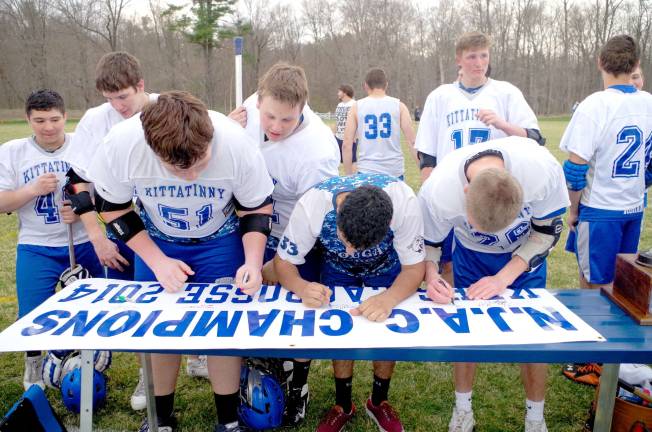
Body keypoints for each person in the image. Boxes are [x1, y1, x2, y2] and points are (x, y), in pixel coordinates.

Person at [87, 91, 274, 432]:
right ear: (152, 148)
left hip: (219, 237)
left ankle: (229, 420)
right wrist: (156, 261)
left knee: (224, 328)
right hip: (158, 236)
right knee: (160, 328)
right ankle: (161, 417)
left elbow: (256, 207)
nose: (190, 177)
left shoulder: (235, 143)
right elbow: (111, 207)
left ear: (210, 138)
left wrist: (252, 261)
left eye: (200, 163)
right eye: (178, 169)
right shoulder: (122, 144)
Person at [419, 137, 569, 432]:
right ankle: (463, 411)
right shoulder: (438, 190)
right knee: (465, 332)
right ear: (465, 192)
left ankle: (536, 418)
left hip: (523, 251)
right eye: (476, 222)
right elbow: (429, 244)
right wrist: (431, 274)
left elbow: (548, 231)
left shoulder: (541, 168)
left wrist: (505, 277)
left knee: (534, 338)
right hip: (472, 256)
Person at [231, 62, 340, 426]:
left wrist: (279, 261)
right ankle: (264, 366)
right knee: (251, 303)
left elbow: (315, 217)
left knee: (302, 307)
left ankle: (300, 384)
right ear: (259, 100)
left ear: (304, 108)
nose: (275, 127)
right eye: (270, 117)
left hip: (300, 234)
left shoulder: (318, 150)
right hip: (252, 224)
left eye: (287, 121)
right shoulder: (248, 112)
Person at [275, 173, 426, 432]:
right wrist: (302, 288)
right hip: (336, 269)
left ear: (389, 222)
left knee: (386, 323)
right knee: (340, 327)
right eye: (345, 241)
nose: (351, 252)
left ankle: (379, 400)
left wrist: (388, 298)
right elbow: (283, 262)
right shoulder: (313, 204)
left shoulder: (404, 202)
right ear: (339, 214)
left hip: (386, 266)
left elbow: (414, 268)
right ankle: (343, 404)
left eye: (360, 246)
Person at [414, 31, 544, 288]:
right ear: (458, 60)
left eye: (483, 55)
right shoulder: (440, 96)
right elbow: (427, 155)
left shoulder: (505, 92)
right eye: (472, 56)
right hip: (454, 189)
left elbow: (535, 138)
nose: (479, 62)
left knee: (499, 241)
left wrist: (503, 124)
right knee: (447, 258)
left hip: (496, 191)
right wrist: (431, 195)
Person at [560, 35, 652, 386]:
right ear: (634, 65)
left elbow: (574, 168)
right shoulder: (647, 102)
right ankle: (615, 356)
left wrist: (574, 208)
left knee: (595, 285)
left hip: (600, 209)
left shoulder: (595, 104)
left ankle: (594, 359)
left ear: (601, 62)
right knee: (626, 285)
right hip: (633, 207)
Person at [0, 89, 102, 390]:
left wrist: (83, 208)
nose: (48, 127)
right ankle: (34, 362)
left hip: (82, 241)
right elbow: (3, 202)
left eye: (55, 119)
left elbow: (106, 192)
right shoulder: (12, 151)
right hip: (37, 244)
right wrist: (31, 189)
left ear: (65, 116)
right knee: (32, 312)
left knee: (95, 306)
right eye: (40, 120)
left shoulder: (83, 147)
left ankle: (89, 357)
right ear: (28, 119)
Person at [342, 68, 418, 179]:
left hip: (367, 171)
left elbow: (347, 144)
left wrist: (348, 176)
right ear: (386, 85)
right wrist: (423, 169)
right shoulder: (399, 106)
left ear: (366, 86)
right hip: (394, 172)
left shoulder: (356, 107)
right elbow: (412, 142)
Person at [334, 84, 357, 164]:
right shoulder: (339, 105)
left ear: (345, 92)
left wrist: (355, 136)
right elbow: (337, 121)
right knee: (336, 160)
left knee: (351, 161)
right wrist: (334, 134)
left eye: (339, 91)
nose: (338, 93)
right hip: (338, 137)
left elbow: (358, 122)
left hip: (349, 138)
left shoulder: (354, 104)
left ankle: (352, 176)